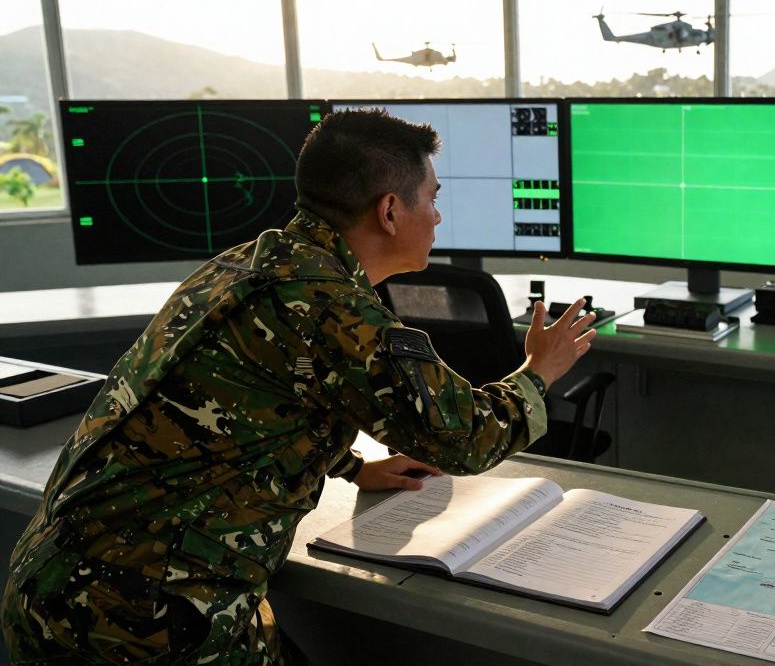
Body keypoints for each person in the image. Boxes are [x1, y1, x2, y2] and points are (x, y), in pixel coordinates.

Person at [1, 109, 596, 665]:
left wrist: (353, 466)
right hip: (145, 620)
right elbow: (465, 439)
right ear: (390, 211)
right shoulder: (334, 310)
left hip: (51, 586)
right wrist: (538, 372)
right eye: (432, 199)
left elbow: (249, 405)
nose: (437, 217)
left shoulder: (245, 265)